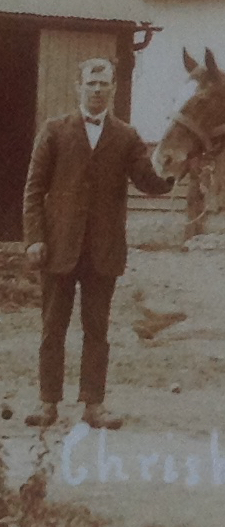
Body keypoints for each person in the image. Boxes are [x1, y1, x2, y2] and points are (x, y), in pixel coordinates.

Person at [21, 58, 175, 430]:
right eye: (91, 83)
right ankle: (48, 403)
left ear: (114, 89)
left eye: (104, 83)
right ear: (78, 87)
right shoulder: (54, 130)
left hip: (103, 252)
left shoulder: (126, 136)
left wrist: (175, 169)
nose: (97, 89)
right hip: (59, 248)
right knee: (52, 329)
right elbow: (34, 190)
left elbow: (148, 181)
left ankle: (94, 404)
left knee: (97, 331)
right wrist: (35, 239)